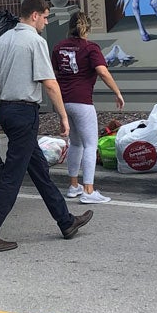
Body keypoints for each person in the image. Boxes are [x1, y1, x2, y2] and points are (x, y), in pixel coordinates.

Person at [0, 0, 94, 253]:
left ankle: (66, 222)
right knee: (11, 179)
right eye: (46, 17)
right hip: (25, 112)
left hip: (6, 110)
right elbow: (49, 83)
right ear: (35, 15)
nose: (47, 22)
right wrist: (63, 116)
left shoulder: (2, 40)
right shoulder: (34, 42)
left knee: (39, 171)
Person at [51, 11, 125, 204]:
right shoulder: (91, 48)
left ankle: (73, 185)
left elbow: (55, 73)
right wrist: (117, 92)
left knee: (75, 144)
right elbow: (102, 71)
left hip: (64, 101)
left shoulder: (58, 47)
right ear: (88, 29)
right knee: (91, 145)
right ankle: (89, 190)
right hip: (82, 101)